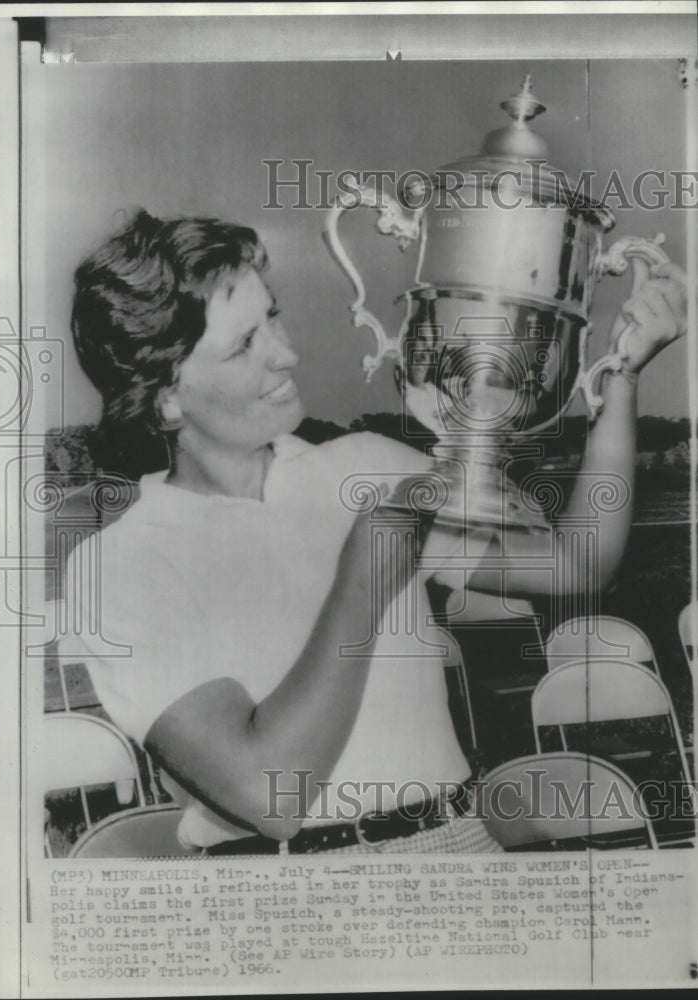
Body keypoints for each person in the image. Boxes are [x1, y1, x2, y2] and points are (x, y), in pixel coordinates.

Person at [62, 209, 687, 855]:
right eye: (244, 344)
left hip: (460, 844)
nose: (287, 353)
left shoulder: (367, 464)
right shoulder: (123, 562)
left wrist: (621, 380)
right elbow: (266, 794)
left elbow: (577, 566)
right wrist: (363, 579)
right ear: (165, 397)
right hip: (288, 892)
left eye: (272, 315)